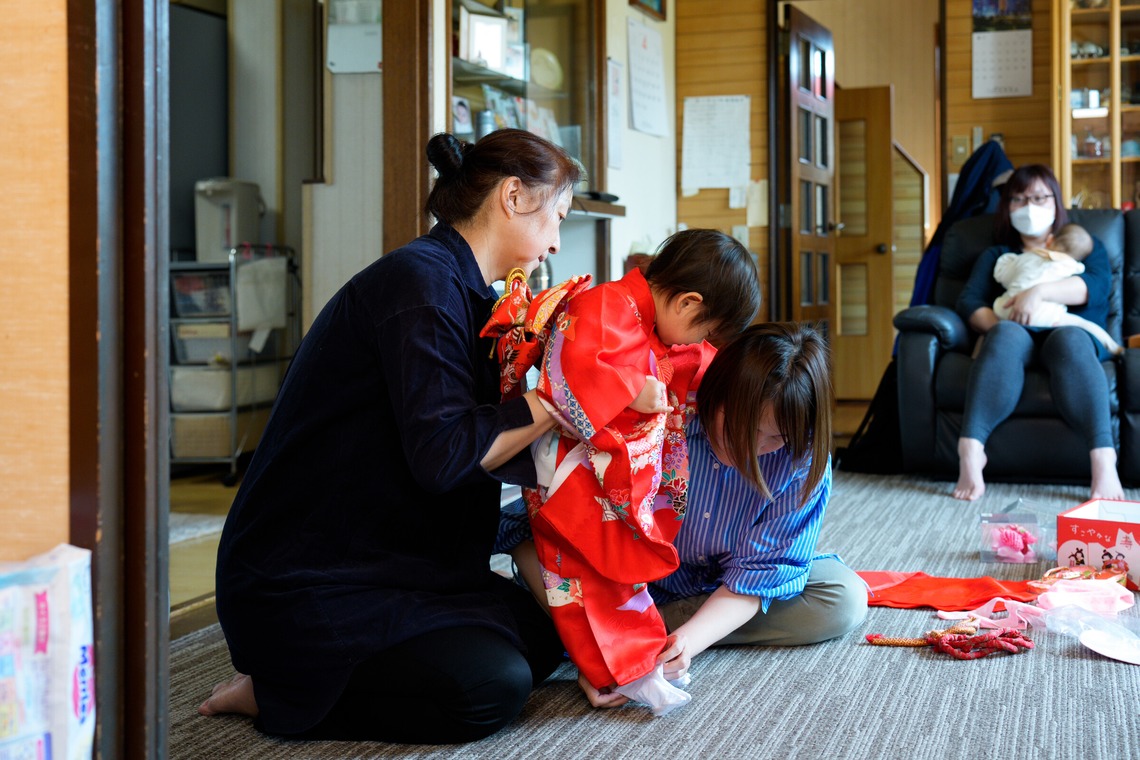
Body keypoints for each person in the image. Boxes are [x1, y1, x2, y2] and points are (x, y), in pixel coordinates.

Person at [197, 129, 582, 744]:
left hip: (398, 562)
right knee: (491, 688)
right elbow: (445, 455)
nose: (557, 240)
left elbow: (485, 444)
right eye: (555, 216)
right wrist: (561, 400)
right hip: (309, 576)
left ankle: (310, 680)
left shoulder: (474, 295)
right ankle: (277, 694)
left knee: (550, 635)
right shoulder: (419, 284)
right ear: (513, 196)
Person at [500, 322, 868, 710]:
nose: (752, 449)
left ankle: (641, 636)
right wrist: (602, 657)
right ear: (718, 391)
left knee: (843, 597)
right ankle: (615, 635)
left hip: (714, 583)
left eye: (775, 438)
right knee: (540, 564)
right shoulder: (661, 411)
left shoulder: (801, 456)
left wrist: (688, 643)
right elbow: (586, 529)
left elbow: (763, 570)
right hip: (613, 577)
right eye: (743, 427)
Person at [490, 229, 760, 715]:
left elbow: (697, 363)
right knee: (579, 577)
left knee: (616, 575)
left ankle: (625, 666)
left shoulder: (654, 324)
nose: (700, 341)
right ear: (686, 302)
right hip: (572, 475)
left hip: (611, 480)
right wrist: (632, 391)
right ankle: (612, 671)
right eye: (704, 328)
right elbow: (564, 378)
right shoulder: (601, 306)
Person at [953, 164, 1124, 502]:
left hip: (1069, 332)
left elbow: (1096, 287)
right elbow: (969, 301)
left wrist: (1039, 292)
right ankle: (971, 449)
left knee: (1072, 341)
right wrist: (1008, 321)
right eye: (1017, 199)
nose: (1028, 206)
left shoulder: (1083, 246)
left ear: (1055, 202)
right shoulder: (998, 255)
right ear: (1006, 207)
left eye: (1038, 197)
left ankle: (1104, 461)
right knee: (1003, 335)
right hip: (1015, 335)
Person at [991, 222, 1122, 355]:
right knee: (1082, 325)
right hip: (1049, 319)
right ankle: (1113, 347)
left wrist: (1033, 288)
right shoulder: (1074, 267)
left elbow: (1002, 275)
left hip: (1008, 312)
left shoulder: (1025, 258)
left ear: (1049, 240)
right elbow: (1089, 282)